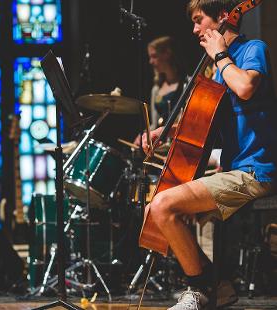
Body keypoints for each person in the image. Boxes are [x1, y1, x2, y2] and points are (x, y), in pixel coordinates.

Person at [141, 0, 277, 309]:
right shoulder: (217, 68)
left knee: (163, 205)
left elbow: (245, 87)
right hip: (234, 168)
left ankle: (199, 289)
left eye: (199, 20)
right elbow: (202, 122)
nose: (194, 29)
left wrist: (219, 56)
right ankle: (220, 285)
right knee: (156, 211)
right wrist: (163, 134)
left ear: (222, 17)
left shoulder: (252, 49)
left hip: (259, 169)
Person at [134, 36, 187, 145]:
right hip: (160, 144)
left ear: (167, 54)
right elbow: (154, 123)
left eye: (154, 56)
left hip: (178, 142)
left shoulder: (187, 84)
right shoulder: (156, 89)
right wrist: (144, 135)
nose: (150, 61)